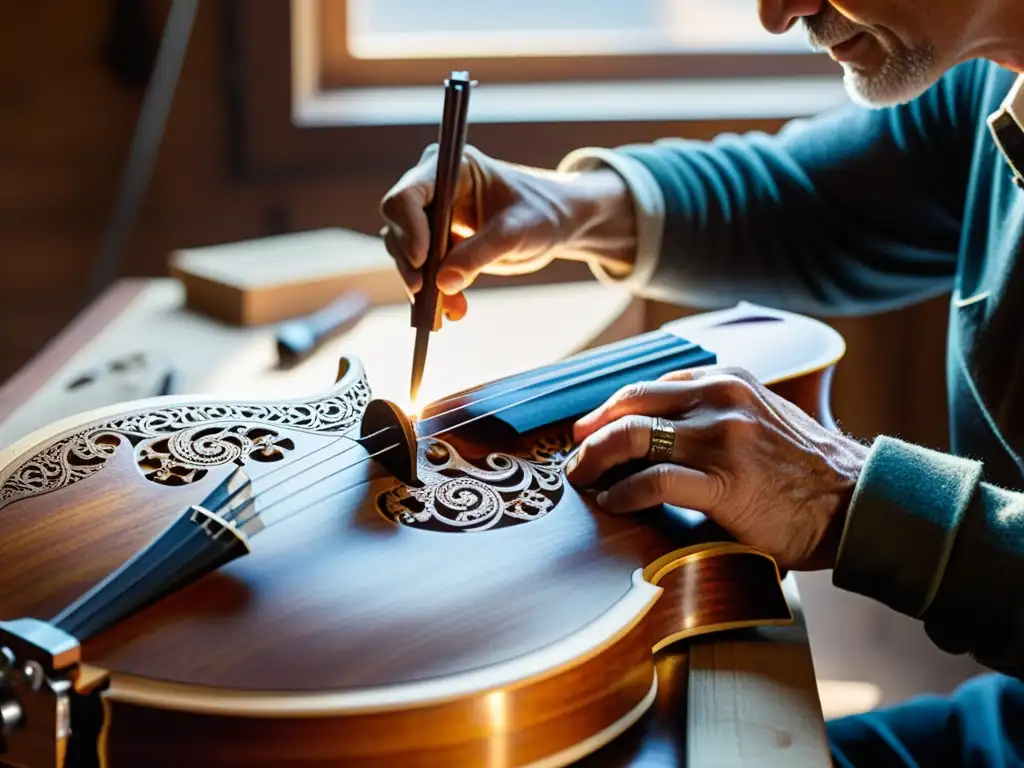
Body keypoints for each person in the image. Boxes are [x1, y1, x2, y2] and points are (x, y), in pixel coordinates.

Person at [378, 1, 1024, 765]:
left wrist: (844, 500)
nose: (778, 13)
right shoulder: (990, 73)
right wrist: (572, 207)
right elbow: (822, 202)